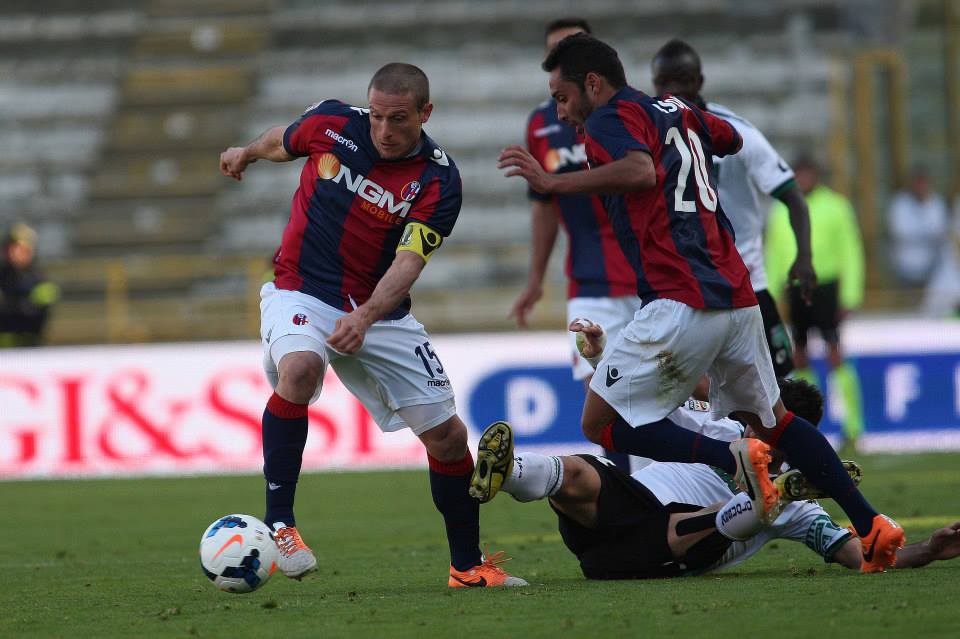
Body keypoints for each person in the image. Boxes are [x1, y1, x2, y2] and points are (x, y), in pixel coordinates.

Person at [495, 33, 902, 572]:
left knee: (600, 425)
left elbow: (640, 171)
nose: (561, 111)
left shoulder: (608, 120)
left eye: (563, 96)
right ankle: (871, 525)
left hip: (678, 296)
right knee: (774, 420)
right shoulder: (676, 110)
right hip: (737, 295)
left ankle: (730, 458)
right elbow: (728, 138)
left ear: (593, 84)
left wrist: (555, 180)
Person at [219, 63, 526, 588]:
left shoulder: (438, 179)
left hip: (379, 309)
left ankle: (467, 567)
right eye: (378, 116)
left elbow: (409, 262)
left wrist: (364, 316)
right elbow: (281, 141)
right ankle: (281, 525)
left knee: (450, 439)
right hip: (302, 288)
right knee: (299, 370)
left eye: (399, 119)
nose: (384, 130)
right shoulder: (333, 124)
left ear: (425, 113)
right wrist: (245, 152)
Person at [469, 386, 960, 580]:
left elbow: (860, 556)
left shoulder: (802, 510)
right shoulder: (719, 429)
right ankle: (504, 472)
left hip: (663, 548)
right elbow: (649, 399)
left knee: (765, 507)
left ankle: (762, 498)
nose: (750, 427)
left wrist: (931, 549)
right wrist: (602, 357)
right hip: (619, 516)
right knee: (578, 467)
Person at [511, 17, 640, 471]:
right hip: (588, 282)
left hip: (648, 280)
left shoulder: (627, 116)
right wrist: (534, 280)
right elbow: (544, 205)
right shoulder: (542, 125)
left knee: (665, 391)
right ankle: (631, 494)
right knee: (599, 399)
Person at [650, 39, 816, 378]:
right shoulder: (649, 136)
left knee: (779, 387)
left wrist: (804, 257)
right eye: (663, 82)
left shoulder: (738, 133)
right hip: (689, 290)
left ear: (699, 81)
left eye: (680, 79)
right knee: (696, 397)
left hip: (748, 286)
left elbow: (793, 197)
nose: (672, 90)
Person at [766, 156, 865, 451]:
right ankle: (810, 423)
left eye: (808, 174)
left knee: (835, 354)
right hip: (795, 289)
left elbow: (851, 250)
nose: (804, 180)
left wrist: (850, 295)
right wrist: (772, 294)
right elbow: (773, 251)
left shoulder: (836, 205)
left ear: (817, 175)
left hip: (826, 289)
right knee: (800, 356)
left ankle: (853, 426)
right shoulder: (779, 209)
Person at [0, 222, 59, 347]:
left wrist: (15, 307)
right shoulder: (3, 276)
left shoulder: (40, 280)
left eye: (24, 249)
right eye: (14, 248)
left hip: (30, 346)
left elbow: (39, 315)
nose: (18, 253)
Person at [887, 166, 948, 286]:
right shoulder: (900, 204)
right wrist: (928, 235)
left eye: (924, 182)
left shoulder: (937, 203)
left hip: (933, 267)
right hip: (905, 267)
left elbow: (941, 232)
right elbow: (901, 233)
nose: (921, 186)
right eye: (918, 182)